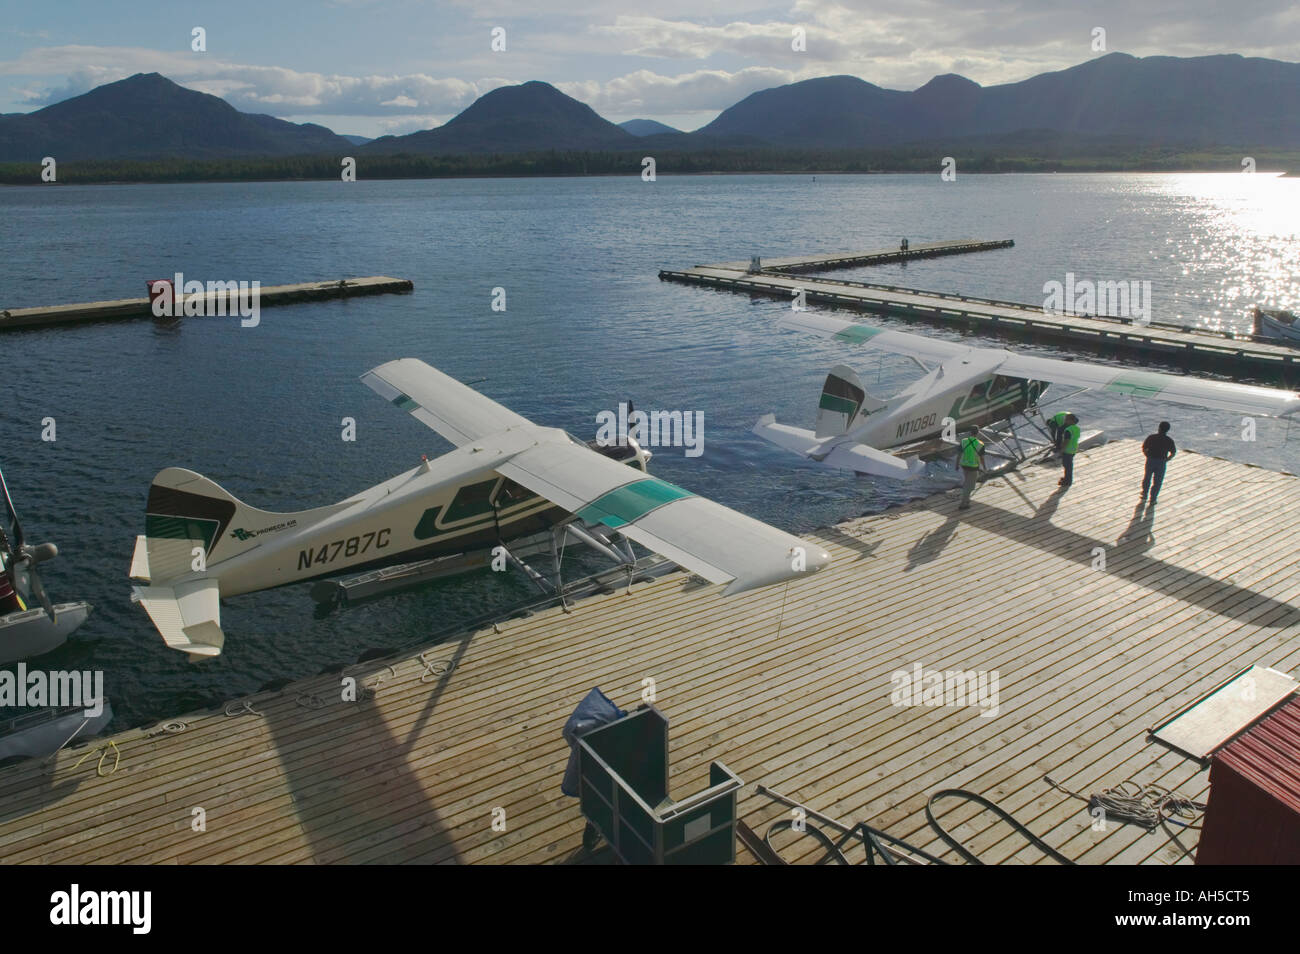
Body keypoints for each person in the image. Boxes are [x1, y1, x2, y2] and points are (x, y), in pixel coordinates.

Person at [1141, 421, 1177, 504]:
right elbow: (1173, 452)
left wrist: (1147, 455)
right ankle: (1153, 499)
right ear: (1167, 430)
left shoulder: (1151, 437)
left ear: (1159, 428)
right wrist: (1167, 459)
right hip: (1161, 462)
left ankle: (1144, 493)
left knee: (1147, 477)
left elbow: (1144, 448)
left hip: (1151, 460)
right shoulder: (1169, 440)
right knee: (1158, 481)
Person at [957, 430, 985, 509]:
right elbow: (982, 458)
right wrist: (984, 467)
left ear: (970, 433)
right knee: (970, 486)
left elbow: (959, 454)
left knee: (967, 483)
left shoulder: (963, 441)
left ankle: (967, 500)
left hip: (964, 466)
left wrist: (957, 464)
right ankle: (963, 504)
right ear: (977, 433)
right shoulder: (980, 444)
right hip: (973, 467)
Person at [1059, 414, 1080, 486]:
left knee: (1067, 466)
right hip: (1073, 449)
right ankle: (1067, 479)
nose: (1065, 421)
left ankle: (1067, 481)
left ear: (1070, 421)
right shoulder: (1077, 428)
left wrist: (1062, 449)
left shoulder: (1068, 430)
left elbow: (1066, 441)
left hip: (1067, 450)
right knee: (1069, 466)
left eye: (1066, 420)